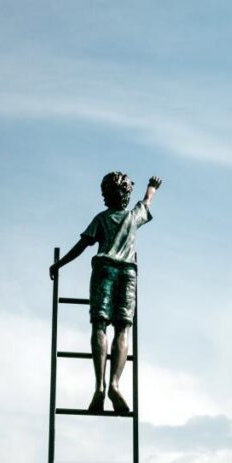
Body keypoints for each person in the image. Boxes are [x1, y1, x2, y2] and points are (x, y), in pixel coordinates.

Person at [49, 172, 162, 413]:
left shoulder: (101, 218)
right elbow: (147, 201)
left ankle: (100, 387)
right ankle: (114, 384)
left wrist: (60, 265)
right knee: (123, 328)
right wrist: (152, 188)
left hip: (104, 271)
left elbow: (82, 246)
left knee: (99, 325)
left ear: (106, 195)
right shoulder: (133, 216)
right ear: (126, 195)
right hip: (127, 272)